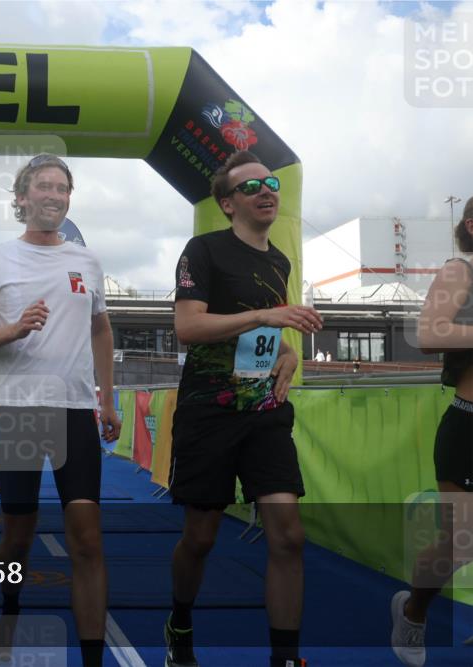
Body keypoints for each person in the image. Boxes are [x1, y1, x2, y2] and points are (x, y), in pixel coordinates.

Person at [0, 154, 120, 667]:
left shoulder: (87, 260)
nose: (53, 195)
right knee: (18, 530)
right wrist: (15, 328)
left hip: (75, 411)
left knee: (87, 535)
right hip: (20, 412)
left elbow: (100, 328)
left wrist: (108, 399)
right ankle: (9, 608)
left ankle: (92, 657)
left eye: (62, 188)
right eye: (43, 187)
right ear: (22, 198)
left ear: (68, 198)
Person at [166, 150, 323, 667]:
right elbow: (188, 327)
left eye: (272, 183)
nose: (267, 191)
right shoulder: (203, 251)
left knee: (289, 534)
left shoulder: (280, 260)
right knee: (201, 538)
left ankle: (285, 659)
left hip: (264, 411)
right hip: (208, 410)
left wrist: (286, 350)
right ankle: (180, 624)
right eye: (252, 187)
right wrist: (263, 314)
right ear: (228, 204)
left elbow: (265, 332)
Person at [391, 196, 473, 667]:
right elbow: (428, 333)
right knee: (461, 541)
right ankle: (413, 611)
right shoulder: (460, 272)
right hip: (468, 425)